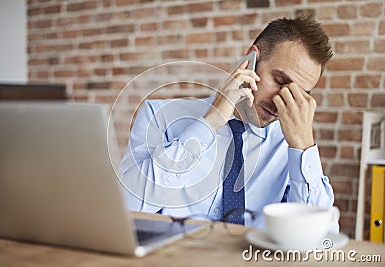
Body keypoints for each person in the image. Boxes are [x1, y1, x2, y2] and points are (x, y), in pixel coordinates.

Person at [119, 15, 336, 229]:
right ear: (250, 61)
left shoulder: (291, 148)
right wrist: (210, 123)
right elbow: (126, 207)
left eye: (299, 93)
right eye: (279, 81)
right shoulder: (160, 116)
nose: (282, 101)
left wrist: (304, 146)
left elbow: (321, 238)